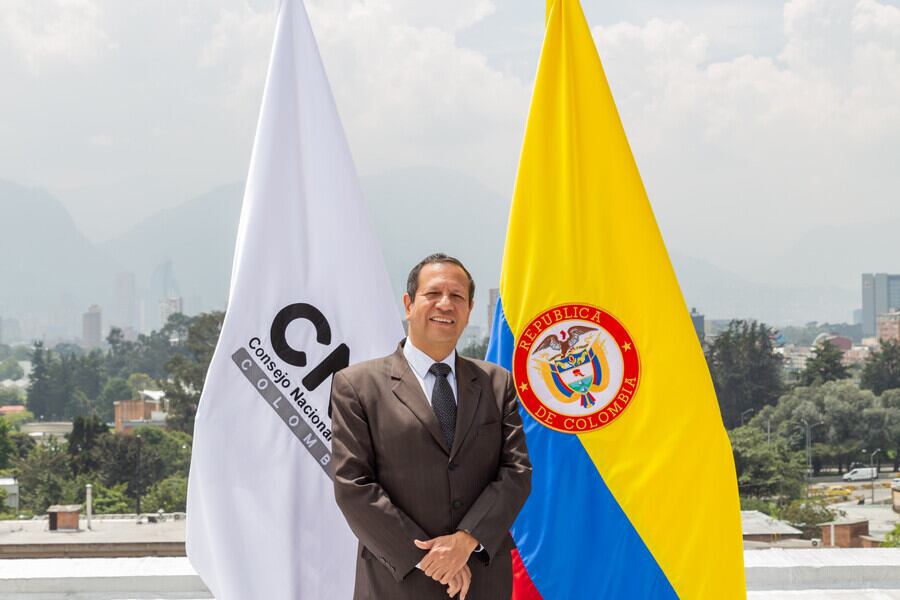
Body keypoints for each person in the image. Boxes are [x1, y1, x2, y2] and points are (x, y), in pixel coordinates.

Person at [331, 253, 532, 599]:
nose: (446, 304)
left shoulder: (497, 383)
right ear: (409, 304)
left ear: (469, 310)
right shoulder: (357, 385)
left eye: (457, 297)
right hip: (397, 579)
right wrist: (430, 559)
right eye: (433, 294)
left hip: (482, 577)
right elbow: (354, 485)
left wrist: (466, 540)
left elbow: (516, 471)